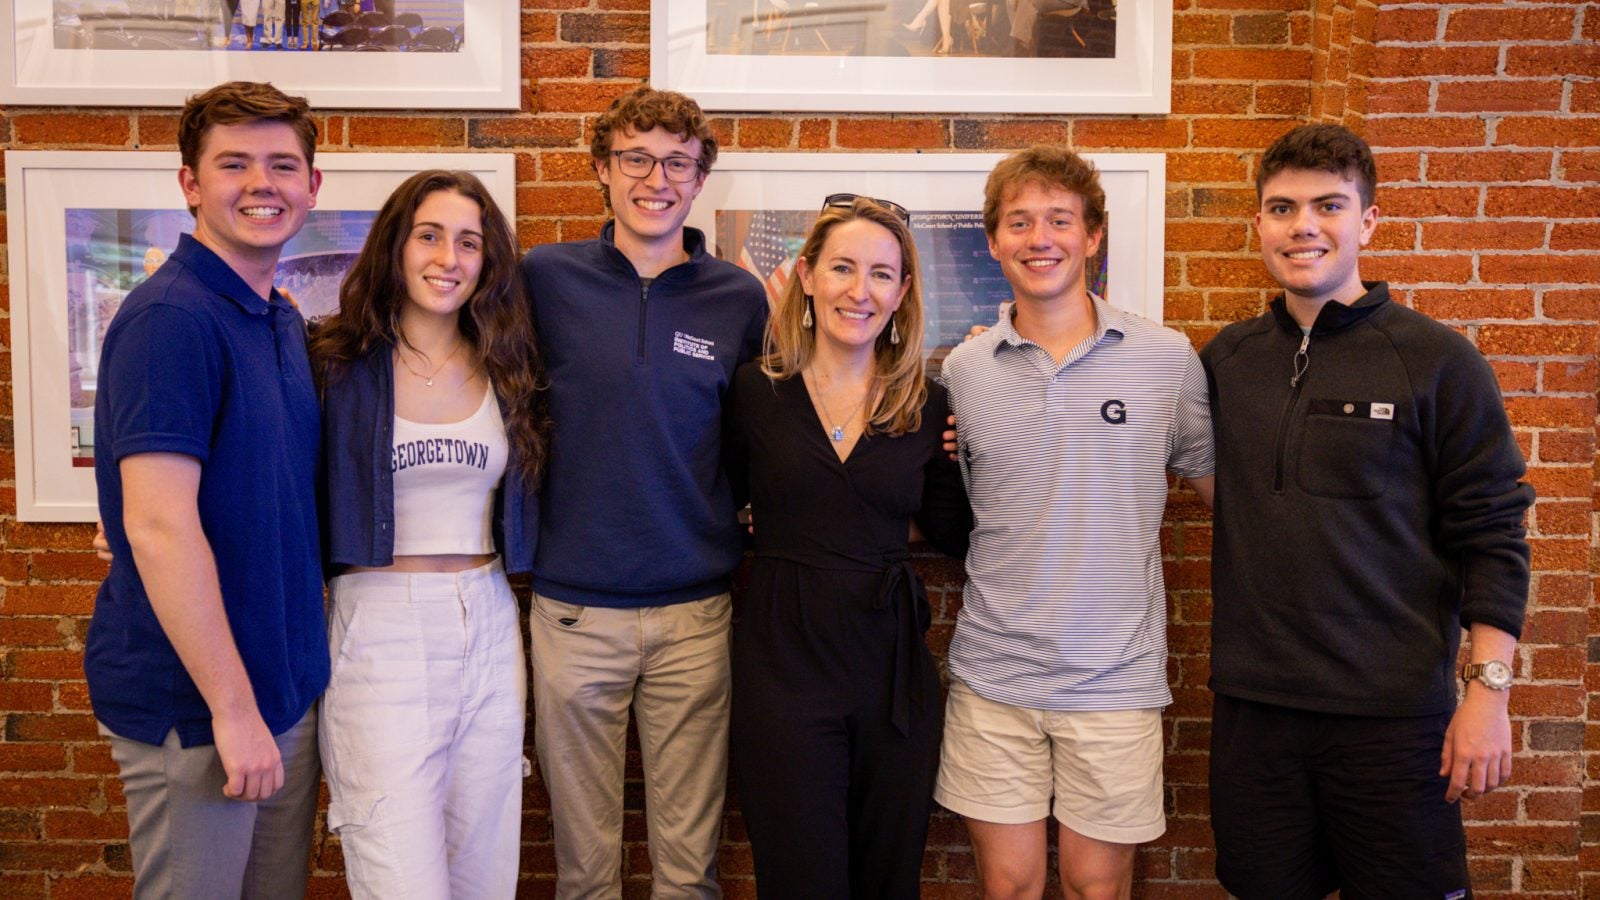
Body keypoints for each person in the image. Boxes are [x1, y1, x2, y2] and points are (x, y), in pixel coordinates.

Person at [1200, 123, 1533, 899]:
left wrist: (1488, 694)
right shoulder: (1225, 361)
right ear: (1259, 223)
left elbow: (1494, 535)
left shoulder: (1439, 361)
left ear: (1368, 221)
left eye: (1328, 206)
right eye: (1282, 208)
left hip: (1391, 719)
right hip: (1255, 715)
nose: (1303, 226)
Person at [934, 145, 1215, 900]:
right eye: (1019, 222)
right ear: (993, 242)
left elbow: (1222, 494)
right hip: (994, 676)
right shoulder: (964, 371)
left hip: (1115, 678)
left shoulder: (1165, 358)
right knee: (1010, 888)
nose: (1040, 238)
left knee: (1099, 887)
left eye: (1060, 219)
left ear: (1093, 236)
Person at [518, 86, 768, 898]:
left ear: (699, 180)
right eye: (635, 158)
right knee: (584, 874)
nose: (655, 178)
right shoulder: (544, 278)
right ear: (602, 168)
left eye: (677, 163)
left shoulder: (738, 297)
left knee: (688, 875)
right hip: (572, 612)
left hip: (696, 613)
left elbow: (770, 428)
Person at [85, 80, 326, 899]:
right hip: (199, 711)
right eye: (234, 164)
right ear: (190, 184)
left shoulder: (278, 320)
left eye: (282, 165)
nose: (262, 183)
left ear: (312, 186)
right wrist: (232, 710)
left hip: (280, 698)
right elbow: (158, 528)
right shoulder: (171, 320)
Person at [724, 195, 971, 898]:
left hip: (888, 668)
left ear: (902, 292)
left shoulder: (927, 402)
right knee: (800, 880)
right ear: (806, 276)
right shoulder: (753, 392)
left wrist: (961, 456)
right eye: (842, 268)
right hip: (783, 662)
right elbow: (729, 502)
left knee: (887, 881)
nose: (860, 291)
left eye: (881, 274)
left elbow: (953, 533)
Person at [308, 170, 547, 898]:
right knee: (398, 875)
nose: (449, 257)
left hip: (489, 620)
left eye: (469, 242)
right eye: (430, 235)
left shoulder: (509, 366)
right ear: (395, 246)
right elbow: (265, 469)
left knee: (486, 872)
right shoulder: (333, 361)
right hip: (379, 625)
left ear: (488, 261)